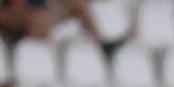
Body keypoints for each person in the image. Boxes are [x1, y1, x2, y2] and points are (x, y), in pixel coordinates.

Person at [0, 0, 130, 54]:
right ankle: (47, 52)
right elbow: (13, 14)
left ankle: (100, 44)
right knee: (39, 20)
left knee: (78, 3)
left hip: (38, 17)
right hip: (20, 26)